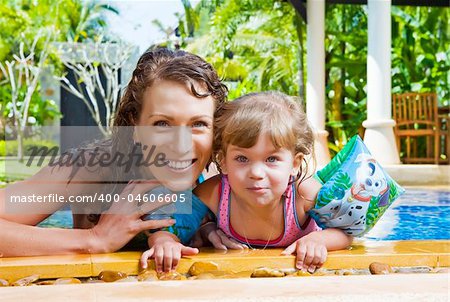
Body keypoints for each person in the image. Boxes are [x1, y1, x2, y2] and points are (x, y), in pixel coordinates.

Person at [0, 48, 230, 257]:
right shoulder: (92, 168)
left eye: (198, 124)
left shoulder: (220, 180)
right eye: (162, 124)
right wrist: (94, 239)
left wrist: (210, 225)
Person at [141, 91, 352, 273]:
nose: (256, 173)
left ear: (294, 164)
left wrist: (318, 240)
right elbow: (169, 224)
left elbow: (346, 231)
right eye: (242, 159)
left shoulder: (303, 195)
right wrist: (165, 243)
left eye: (272, 159)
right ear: (223, 162)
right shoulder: (215, 192)